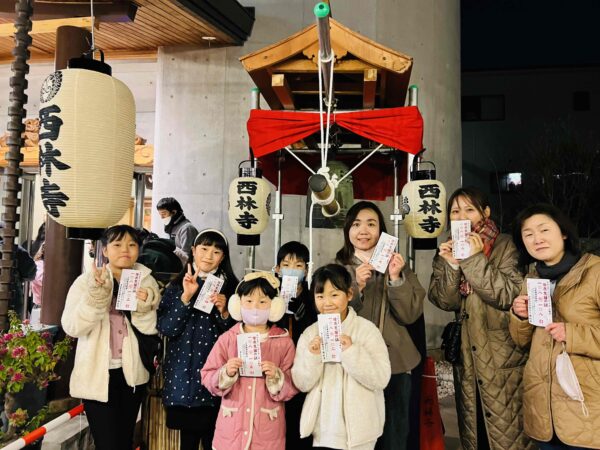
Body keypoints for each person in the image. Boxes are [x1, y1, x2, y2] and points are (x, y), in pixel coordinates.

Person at [428, 187, 531, 450]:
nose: (461, 216)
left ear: (485, 212)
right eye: (455, 211)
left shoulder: (506, 245)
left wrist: (473, 258)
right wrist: (452, 265)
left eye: (469, 209)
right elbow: (444, 301)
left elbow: (508, 295)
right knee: (476, 434)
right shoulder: (448, 248)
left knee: (508, 436)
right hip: (467, 357)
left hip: (502, 357)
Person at [509, 204, 600, 450]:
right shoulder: (533, 279)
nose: (537, 239)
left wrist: (573, 334)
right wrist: (519, 316)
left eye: (544, 230)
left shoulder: (594, 272)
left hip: (587, 409)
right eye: (528, 234)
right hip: (544, 410)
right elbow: (521, 341)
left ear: (564, 233)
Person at [61, 225, 160, 450]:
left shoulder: (147, 281)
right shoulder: (87, 281)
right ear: (105, 250)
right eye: (117, 244)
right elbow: (72, 327)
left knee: (124, 440)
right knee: (107, 443)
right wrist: (96, 298)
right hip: (97, 374)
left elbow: (151, 329)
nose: (125, 249)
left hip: (132, 375)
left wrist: (144, 305)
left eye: (132, 244)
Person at [335, 201, 424, 450]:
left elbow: (411, 314)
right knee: (357, 433)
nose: (363, 231)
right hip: (353, 361)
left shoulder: (397, 265)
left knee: (395, 433)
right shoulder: (337, 269)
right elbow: (328, 315)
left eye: (371, 224)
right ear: (348, 230)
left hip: (396, 363)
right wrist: (355, 287)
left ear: (381, 231)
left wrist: (395, 278)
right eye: (356, 224)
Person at [292, 264, 391, 450]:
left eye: (334, 295)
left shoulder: (367, 330)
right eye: (320, 296)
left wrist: (351, 351)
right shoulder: (310, 334)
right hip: (323, 432)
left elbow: (381, 379)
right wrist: (313, 356)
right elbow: (302, 383)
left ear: (350, 294)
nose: (327, 302)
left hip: (361, 434)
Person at [157, 229, 238, 450]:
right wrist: (186, 297)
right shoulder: (176, 286)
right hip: (183, 377)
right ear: (193, 250)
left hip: (218, 377)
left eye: (216, 251)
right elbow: (166, 328)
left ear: (223, 257)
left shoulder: (232, 289)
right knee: (188, 441)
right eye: (204, 248)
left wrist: (224, 312)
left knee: (216, 440)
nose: (209, 256)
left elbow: (237, 335)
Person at [201, 271, 297, 450]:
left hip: (267, 433)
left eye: (263, 302)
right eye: (249, 301)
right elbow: (207, 375)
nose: (255, 307)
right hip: (231, 432)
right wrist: (225, 373)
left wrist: (277, 377)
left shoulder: (284, 342)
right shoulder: (228, 339)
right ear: (238, 304)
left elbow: (294, 384)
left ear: (275, 306)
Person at [274, 241, 317, 450]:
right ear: (277, 269)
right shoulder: (270, 296)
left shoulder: (313, 299)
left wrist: (303, 316)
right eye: (286, 264)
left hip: (303, 373)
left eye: (298, 265)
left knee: (300, 427)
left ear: (306, 270)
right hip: (276, 372)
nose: (292, 269)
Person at [156, 197, 198, 265]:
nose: (161, 217)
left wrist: (170, 249)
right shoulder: (171, 226)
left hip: (184, 268)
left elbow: (187, 258)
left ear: (174, 212)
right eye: (160, 215)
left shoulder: (187, 229)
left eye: (163, 214)